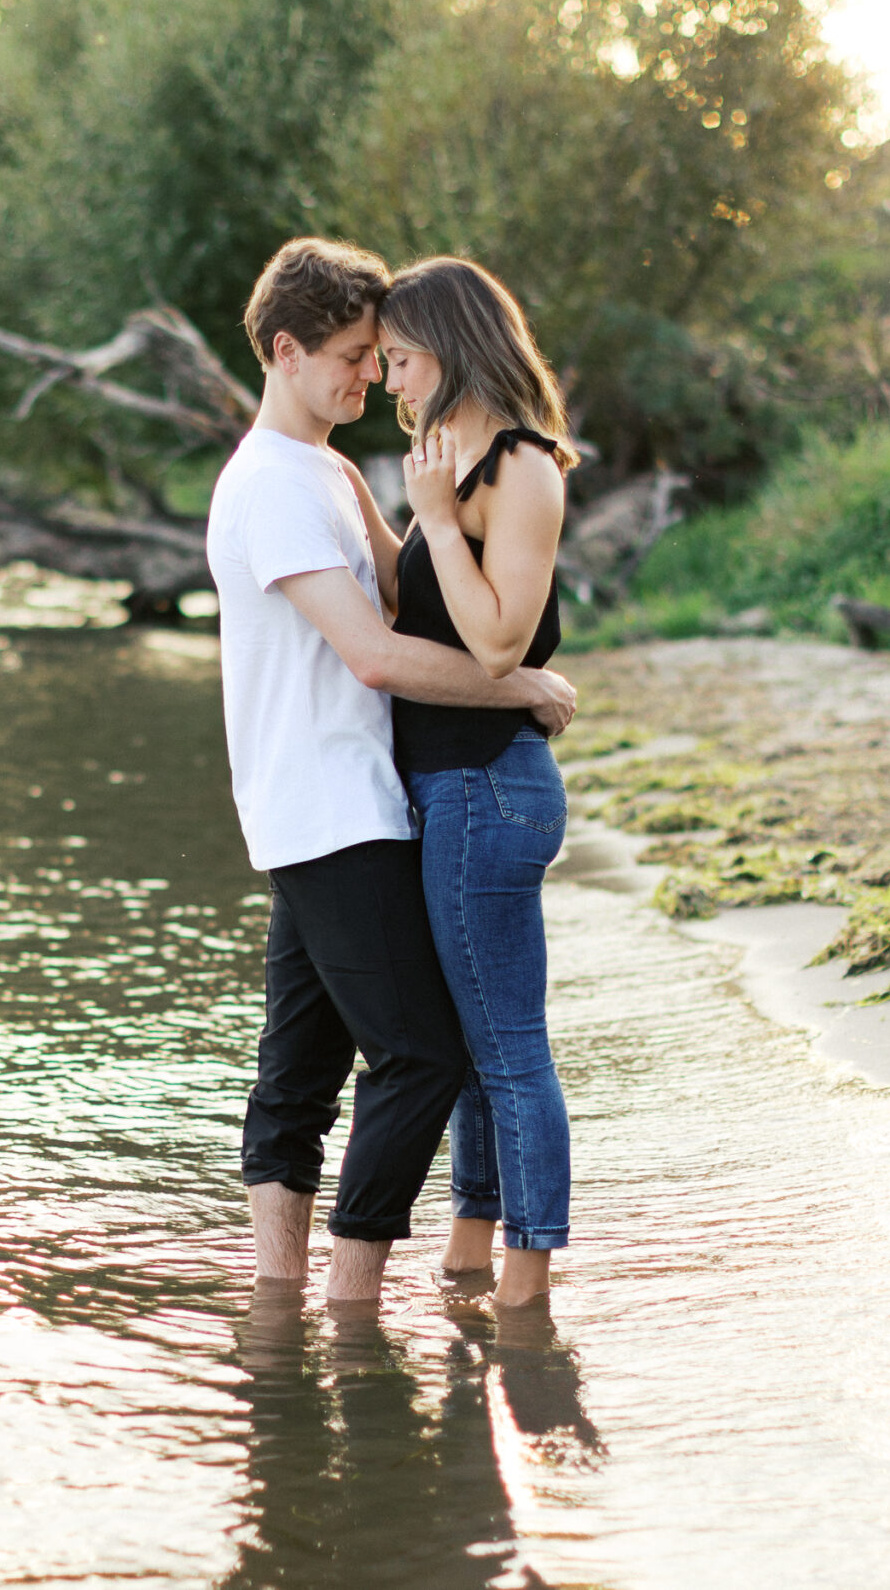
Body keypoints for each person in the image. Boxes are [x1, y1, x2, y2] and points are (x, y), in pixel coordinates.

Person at [208, 237, 578, 1305]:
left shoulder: (326, 470)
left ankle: (287, 1305)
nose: (370, 378)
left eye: (384, 357)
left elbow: (413, 599)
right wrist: (521, 687)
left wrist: (459, 533)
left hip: (351, 801)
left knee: (300, 1075)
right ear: (285, 351)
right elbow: (374, 652)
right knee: (420, 1057)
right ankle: (349, 1302)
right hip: (330, 809)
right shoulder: (271, 486)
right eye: (353, 357)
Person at [356, 256, 579, 1310]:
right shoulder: (443, 462)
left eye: (397, 360)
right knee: (467, 1043)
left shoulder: (522, 468)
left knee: (508, 1049)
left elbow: (496, 642)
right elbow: (420, 613)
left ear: (445, 349)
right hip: (448, 788)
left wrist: (436, 518)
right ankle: (467, 1254)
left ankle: (527, 1292)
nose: (391, 382)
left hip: (487, 788)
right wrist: (383, 514)